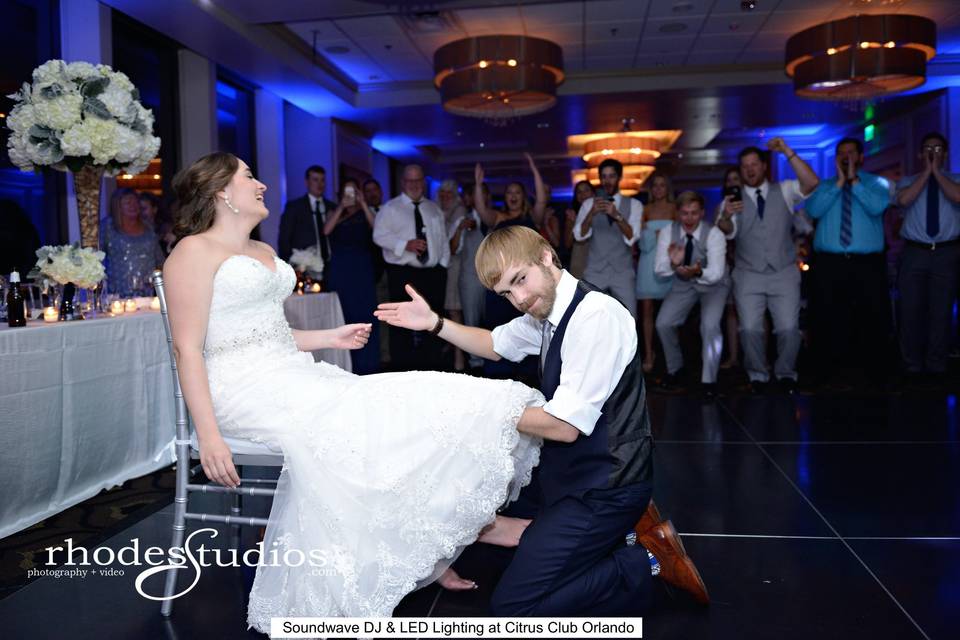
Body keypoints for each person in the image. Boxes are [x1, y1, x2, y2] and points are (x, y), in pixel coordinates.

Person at [162, 152, 544, 630]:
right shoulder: (192, 252)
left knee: (396, 403)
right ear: (221, 192)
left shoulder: (262, 253)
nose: (260, 185)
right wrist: (209, 434)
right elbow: (189, 349)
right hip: (240, 392)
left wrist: (328, 337)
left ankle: (442, 536)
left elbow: (268, 338)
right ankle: (471, 532)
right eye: (249, 177)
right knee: (362, 419)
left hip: (290, 375)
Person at [376, 225, 709, 615]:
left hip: (608, 484)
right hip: (568, 473)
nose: (518, 299)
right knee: (479, 505)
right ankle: (608, 539)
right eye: (506, 293)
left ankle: (643, 560)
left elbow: (565, 426)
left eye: (520, 280)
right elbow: (495, 345)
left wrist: (481, 411)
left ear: (547, 257)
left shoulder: (595, 316)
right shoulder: (546, 310)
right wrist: (435, 323)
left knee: (514, 609)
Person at [716, 138, 819, 394]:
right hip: (748, 273)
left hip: (783, 271)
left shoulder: (784, 190)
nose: (749, 170)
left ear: (763, 167)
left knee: (787, 328)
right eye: (744, 166)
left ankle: (785, 373)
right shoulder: (732, 200)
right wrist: (727, 216)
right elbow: (726, 231)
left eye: (754, 164)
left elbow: (812, 183)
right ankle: (758, 375)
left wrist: (786, 151)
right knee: (750, 329)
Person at [805, 138, 892, 386]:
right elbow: (813, 211)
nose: (846, 157)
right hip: (829, 264)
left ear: (861, 157)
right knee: (829, 318)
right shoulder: (823, 186)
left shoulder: (876, 183)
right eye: (841, 153)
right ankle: (829, 374)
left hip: (867, 264)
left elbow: (877, 207)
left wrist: (854, 183)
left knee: (871, 318)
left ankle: (873, 375)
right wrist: (840, 183)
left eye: (851, 152)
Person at [473, 154, 547, 381]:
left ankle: (530, 379)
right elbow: (480, 208)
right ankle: (500, 377)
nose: (513, 196)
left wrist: (535, 171)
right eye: (509, 193)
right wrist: (477, 184)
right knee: (499, 331)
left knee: (530, 331)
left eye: (517, 192)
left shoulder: (532, 217)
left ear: (523, 196)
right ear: (505, 197)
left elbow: (542, 201)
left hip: (527, 285)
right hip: (501, 287)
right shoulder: (497, 217)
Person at [894, 133, 960, 381]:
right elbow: (903, 200)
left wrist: (937, 173)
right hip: (914, 252)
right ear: (920, 154)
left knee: (941, 311)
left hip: (946, 252)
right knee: (910, 310)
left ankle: (937, 367)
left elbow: (957, 197)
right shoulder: (908, 181)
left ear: (946, 153)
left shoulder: (956, 179)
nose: (933, 151)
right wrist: (927, 173)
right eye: (928, 148)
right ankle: (911, 365)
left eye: (938, 147)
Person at [372, 164, 450, 370]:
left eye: (418, 180)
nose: (414, 185)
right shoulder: (390, 208)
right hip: (402, 274)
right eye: (410, 181)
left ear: (423, 182)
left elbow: (442, 240)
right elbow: (378, 235)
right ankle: (402, 371)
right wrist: (404, 245)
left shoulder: (434, 209)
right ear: (403, 182)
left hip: (433, 274)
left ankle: (433, 369)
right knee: (400, 324)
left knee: (434, 320)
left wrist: (443, 265)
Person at [654, 191, 729, 396]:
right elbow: (659, 270)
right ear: (678, 213)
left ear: (702, 213)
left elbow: (715, 273)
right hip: (682, 284)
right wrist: (673, 263)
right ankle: (675, 369)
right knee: (663, 323)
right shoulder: (668, 232)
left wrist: (697, 271)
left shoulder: (714, 234)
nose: (689, 218)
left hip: (714, 285)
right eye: (685, 213)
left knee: (710, 325)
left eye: (694, 213)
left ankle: (709, 380)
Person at [321, 178, 381, 374]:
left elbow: (376, 229)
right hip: (340, 268)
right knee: (343, 313)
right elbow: (326, 230)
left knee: (365, 312)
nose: (350, 196)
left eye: (353, 192)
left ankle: (368, 363)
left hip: (362, 268)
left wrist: (363, 203)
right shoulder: (334, 211)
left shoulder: (366, 212)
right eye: (347, 192)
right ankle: (344, 362)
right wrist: (341, 207)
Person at [573, 158, 643, 317]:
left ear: (619, 178)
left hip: (622, 272)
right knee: (588, 317)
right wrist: (591, 213)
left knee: (630, 317)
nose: (607, 180)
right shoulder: (588, 204)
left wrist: (616, 215)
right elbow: (579, 235)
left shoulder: (634, 205)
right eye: (604, 176)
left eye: (611, 176)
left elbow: (632, 238)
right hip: (595, 271)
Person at [636, 171, 676, 372]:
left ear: (667, 188)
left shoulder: (675, 209)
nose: (659, 188)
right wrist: (654, 234)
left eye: (662, 184)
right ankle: (649, 355)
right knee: (647, 311)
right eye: (655, 185)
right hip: (647, 261)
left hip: (669, 261)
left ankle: (670, 356)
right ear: (651, 189)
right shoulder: (645, 209)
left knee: (671, 311)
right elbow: (640, 239)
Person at [449, 183, 488, 371]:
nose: (469, 199)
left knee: (492, 319)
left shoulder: (495, 217)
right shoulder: (463, 220)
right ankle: (476, 364)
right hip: (469, 277)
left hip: (493, 277)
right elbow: (453, 249)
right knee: (471, 320)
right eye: (467, 196)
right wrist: (460, 229)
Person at [101, 187, 165, 296]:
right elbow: (96, 257)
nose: (134, 205)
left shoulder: (148, 228)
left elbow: (159, 260)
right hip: (118, 296)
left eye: (136, 201)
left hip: (147, 294)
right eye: (128, 203)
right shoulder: (108, 228)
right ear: (118, 207)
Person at [437, 179, 469, 371]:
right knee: (450, 311)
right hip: (445, 266)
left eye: (449, 193)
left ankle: (459, 360)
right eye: (443, 193)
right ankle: (455, 353)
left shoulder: (459, 211)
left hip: (456, 265)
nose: (445, 196)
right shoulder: (439, 210)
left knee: (455, 311)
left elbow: (454, 246)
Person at [277, 165, 336, 265]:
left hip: (332, 264)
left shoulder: (333, 207)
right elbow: (284, 239)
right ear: (307, 182)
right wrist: (289, 263)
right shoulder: (294, 207)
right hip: (305, 266)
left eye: (322, 180)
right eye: (315, 180)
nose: (320, 184)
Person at [716, 167, 741, 370]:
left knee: (756, 316)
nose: (732, 183)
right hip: (727, 265)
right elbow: (718, 234)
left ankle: (759, 359)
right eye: (729, 180)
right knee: (731, 312)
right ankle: (733, 357)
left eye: (736, 179)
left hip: (751, 265)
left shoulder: (752, 203)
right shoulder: (721, 207)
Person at [563, 180, 595, 278]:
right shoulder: (572, 214)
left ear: (593, 193)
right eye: (579, 192)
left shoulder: (603, 211)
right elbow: (567, 244)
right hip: (580, 255)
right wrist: (573, 222)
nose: (583, 194)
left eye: (586, 190)